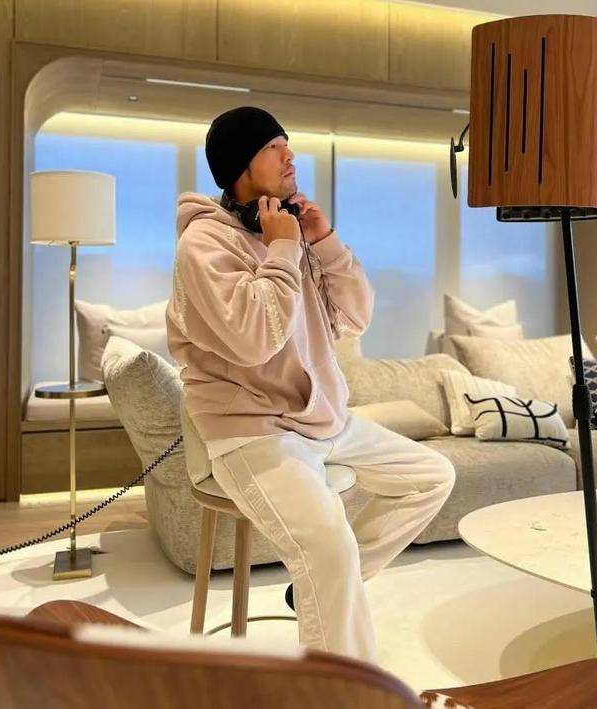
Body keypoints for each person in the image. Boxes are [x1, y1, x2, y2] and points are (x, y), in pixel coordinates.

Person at [166, 106, 455, 665]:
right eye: (273, 147)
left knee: (431, 476)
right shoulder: (203, 245)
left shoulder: (292, 230)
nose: (290, 155)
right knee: (328, 547)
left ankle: (320, 589)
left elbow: (354, 319)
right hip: (250, 430)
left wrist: (323, 242)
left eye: (287, 143)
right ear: (240, 165)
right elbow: (254, 339)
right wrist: (282, 249)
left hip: (322, 420)